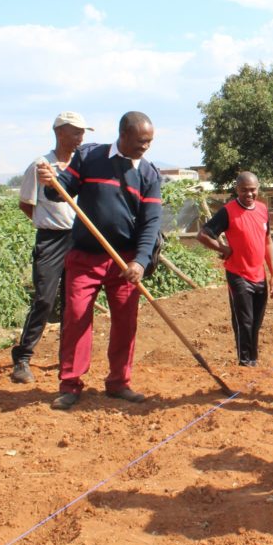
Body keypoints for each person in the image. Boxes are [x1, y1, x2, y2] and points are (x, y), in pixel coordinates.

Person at [37, 111, 162, 410]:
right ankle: (70, 384)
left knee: (125, 322)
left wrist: (141, 262)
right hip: (84, 257)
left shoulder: (148, 174)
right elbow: (61, 193)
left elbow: (151, 223)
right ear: (124, 135)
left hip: (124, 262)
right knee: (77, 318)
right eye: (141, 141)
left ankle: (119, 382)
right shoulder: (89, 157)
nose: (145, 147)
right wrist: (52, 184)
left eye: (149, 142)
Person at [10, 111, 92, 383]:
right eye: (76, 132)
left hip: (79, 239)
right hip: (50, 240)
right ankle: (22, 358)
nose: (81, 137)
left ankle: (66, 359)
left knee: (74, 302)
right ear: (59, 133)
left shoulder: (83, 164)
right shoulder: (41, 166)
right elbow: (26, 204)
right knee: (44, 299)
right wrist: (46, 222)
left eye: (83, 132)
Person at [198, 171, 273, 367]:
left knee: (256, 322)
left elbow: (267, 243)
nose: (249, 194)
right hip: (238, 274)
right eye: (244, 190)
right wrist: (223, 248)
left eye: (252, 190)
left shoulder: (262, 210)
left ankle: (253, 360)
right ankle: (245, 363)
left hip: (259, 274)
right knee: (245, 321)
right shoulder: (228, 211)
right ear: (237, 190)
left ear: (258, 189)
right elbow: (203, 234)